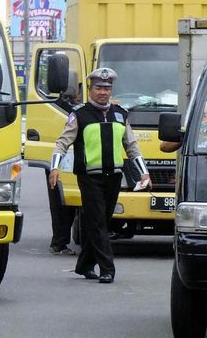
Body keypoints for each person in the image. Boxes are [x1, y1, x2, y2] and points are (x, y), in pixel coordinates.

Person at [48, 68, 152, 284]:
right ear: (90, 89)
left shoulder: (120, 114)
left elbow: (131, 146)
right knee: (97, 223)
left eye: (107, 88)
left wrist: (144, 173)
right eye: (98, 88)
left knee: (102, 221)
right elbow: (62, 143)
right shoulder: (79, 115)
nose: (103, 92)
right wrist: (55, 167)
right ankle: (108, 269)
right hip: (89, 178)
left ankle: (84, 265)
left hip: (113, 177)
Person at [47, 70, 82, 255]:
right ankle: (59, 242)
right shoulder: (66, 108)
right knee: (62, 203)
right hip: (63, 160)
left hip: (73, 160)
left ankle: (61, 241)